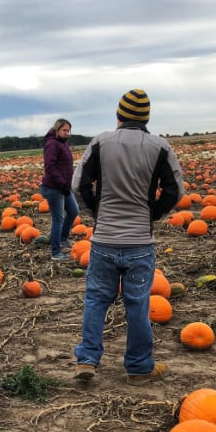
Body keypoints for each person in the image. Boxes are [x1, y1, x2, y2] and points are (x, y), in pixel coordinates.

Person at [71, 89, 185, 384]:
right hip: (139, 243)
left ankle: (87, 360)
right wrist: (152, 215)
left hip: (104, 240)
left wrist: (98, 214)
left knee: (96, 300)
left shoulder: (100, 142)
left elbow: (79, 184)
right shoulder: (159, 147)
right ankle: (138, 368)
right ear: (146, 117)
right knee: (138, 304)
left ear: (119, 115)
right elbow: (175, 191)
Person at [40, 118, 79, 261]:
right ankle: (56, 253)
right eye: (64, 130)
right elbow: (50, 167)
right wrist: (62, 184)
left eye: (68, 131)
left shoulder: (62, 143)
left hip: (63, 187)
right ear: (57, 130)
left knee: (74, 211)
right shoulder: (52, 144)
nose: (67, 133)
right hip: (54, 187)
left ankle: (62, 239)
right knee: (58, 219)